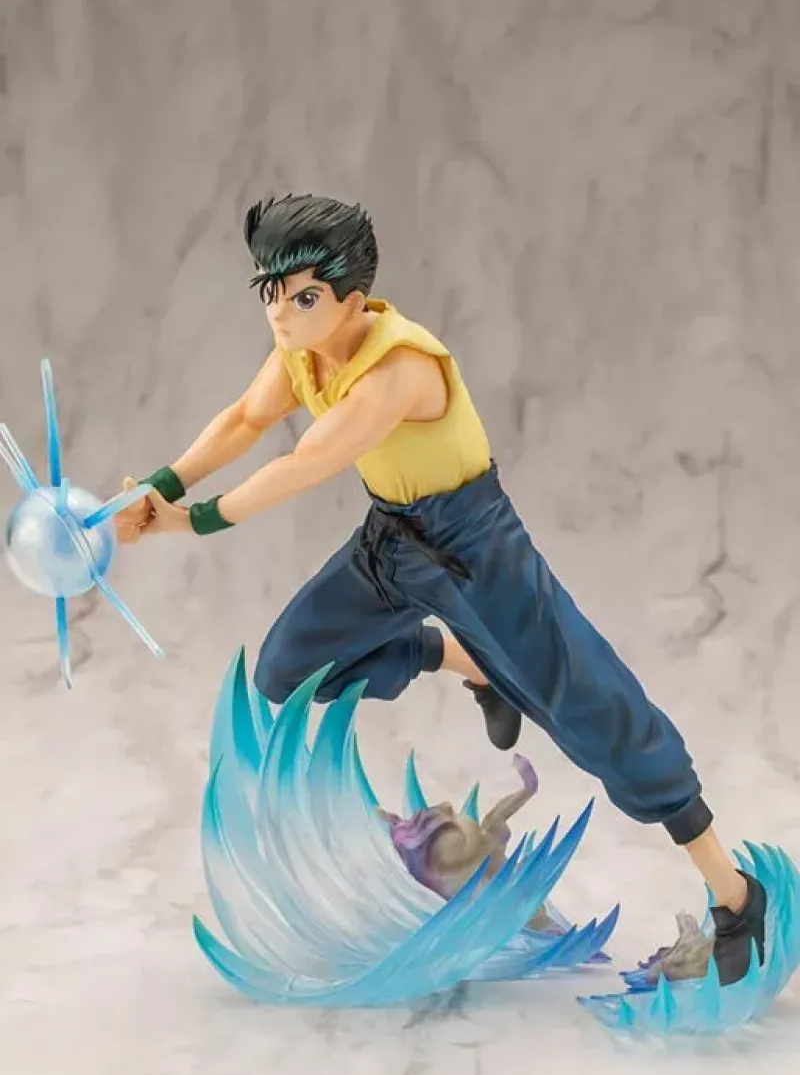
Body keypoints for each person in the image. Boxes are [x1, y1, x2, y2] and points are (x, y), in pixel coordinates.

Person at [116, 192, 766, 987]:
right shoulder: (301, 351)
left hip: (477, 549)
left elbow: (307, 461)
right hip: (390, 541)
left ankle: (738, 899)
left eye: (304, 296)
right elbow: (246, 420)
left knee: (591, 709)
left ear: (352, 298)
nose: (281, 313)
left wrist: (187, 522)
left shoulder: (400, 370)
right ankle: (459, 660)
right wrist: (160, 485)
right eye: (271, 292)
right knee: (288, 669)